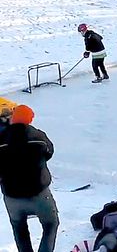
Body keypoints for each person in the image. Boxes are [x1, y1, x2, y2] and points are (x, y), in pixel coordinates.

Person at [0, 105, 59, 252]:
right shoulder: (38, 137)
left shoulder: (1, 139)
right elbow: (49, 152)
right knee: (51, 224)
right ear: (29, 119)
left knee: (19, 229)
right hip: (38, 194)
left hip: (12, 196)